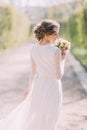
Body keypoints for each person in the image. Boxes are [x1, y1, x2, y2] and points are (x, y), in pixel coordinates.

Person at [0, 19, 69, 130]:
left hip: (39, 86)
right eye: (55, 33)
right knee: (52, 117)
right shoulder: (55, 51)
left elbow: (33, 73)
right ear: (46, 33)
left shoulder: (34, 49)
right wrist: (63, 58)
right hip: (52, 87)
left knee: (37, 116)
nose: (57, 36)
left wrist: (29, 89)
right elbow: (58, 75)